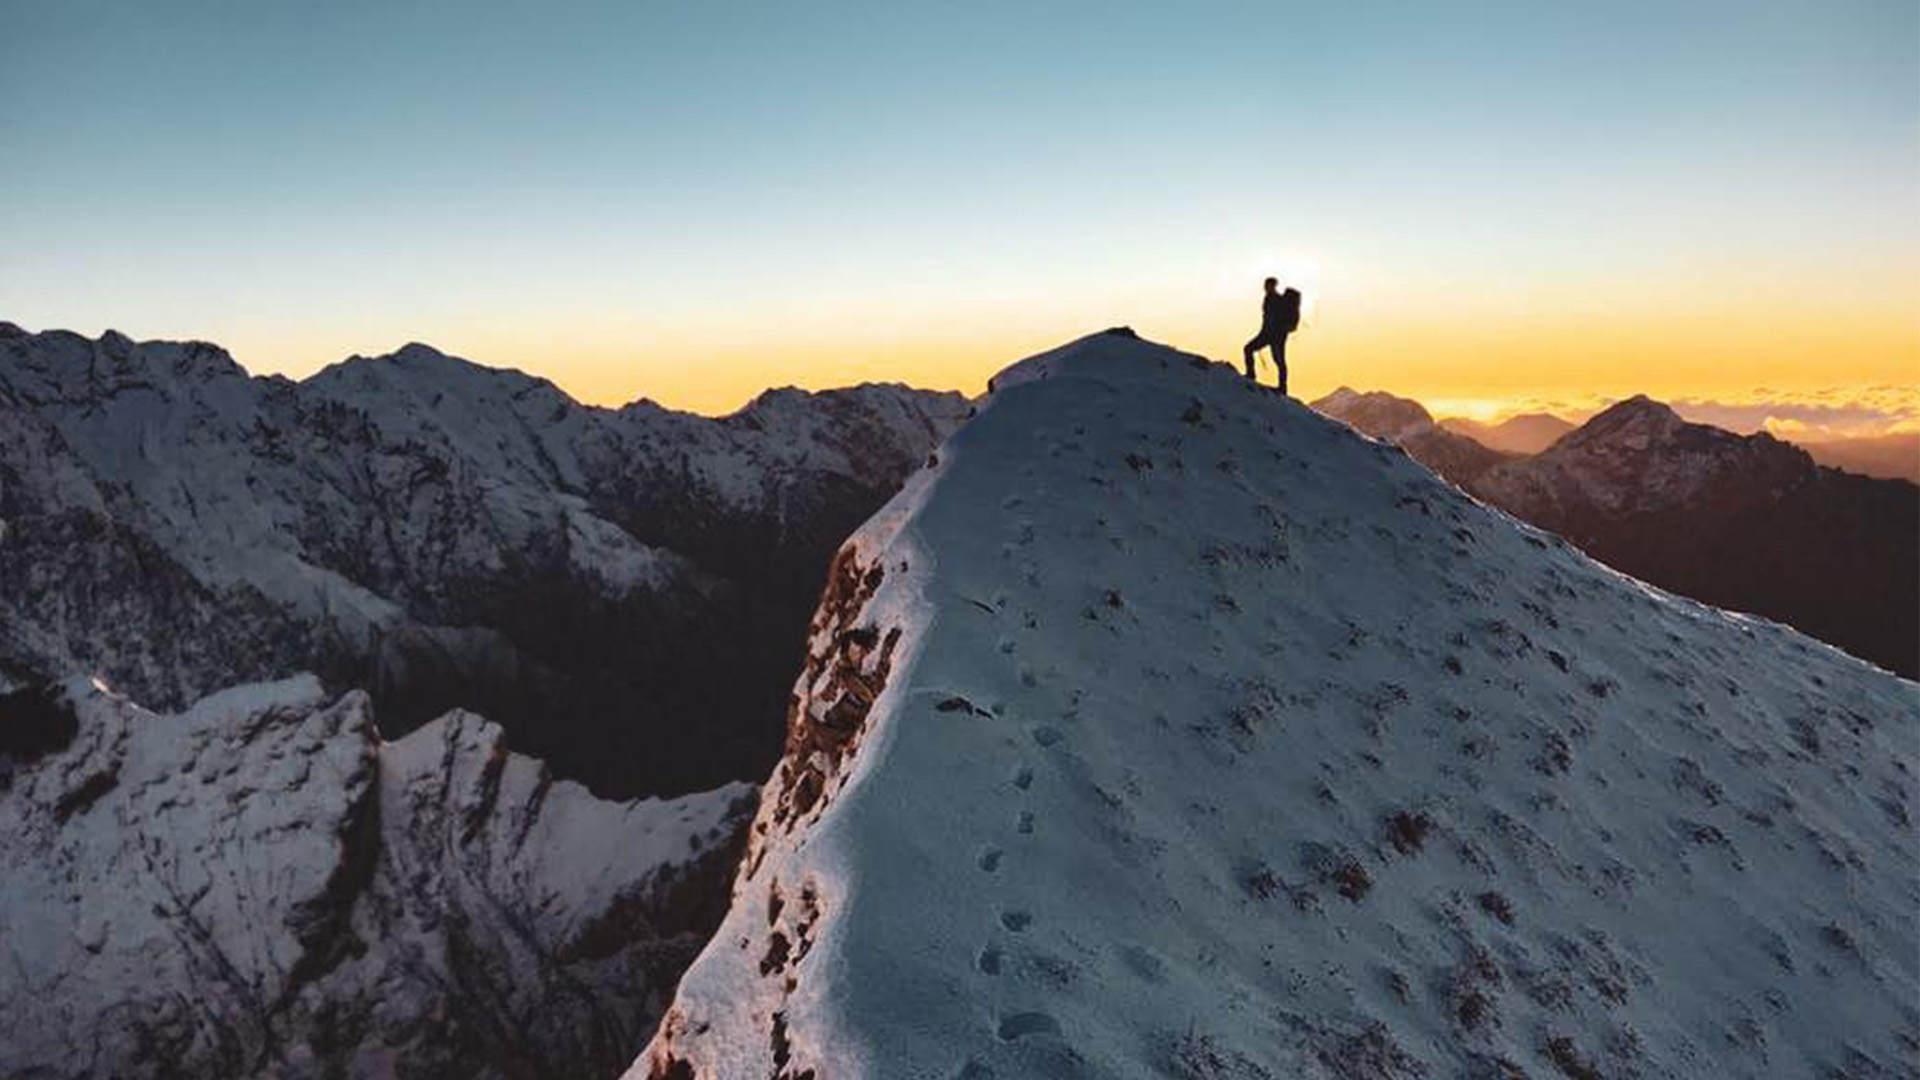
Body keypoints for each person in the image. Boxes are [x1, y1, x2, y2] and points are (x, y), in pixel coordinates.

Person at [1243, 277, 1301, 394]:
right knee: (1249, 349)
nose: (1266, 288)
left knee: (1279, 360)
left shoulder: (1277, 300)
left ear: (1273, 286)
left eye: (1268, 285)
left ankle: (1282, 387)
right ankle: (1252, 374)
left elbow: (1273, 319)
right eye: (1266, 285)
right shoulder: (1270, 299)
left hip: (1275, 336)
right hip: (1269, 334)